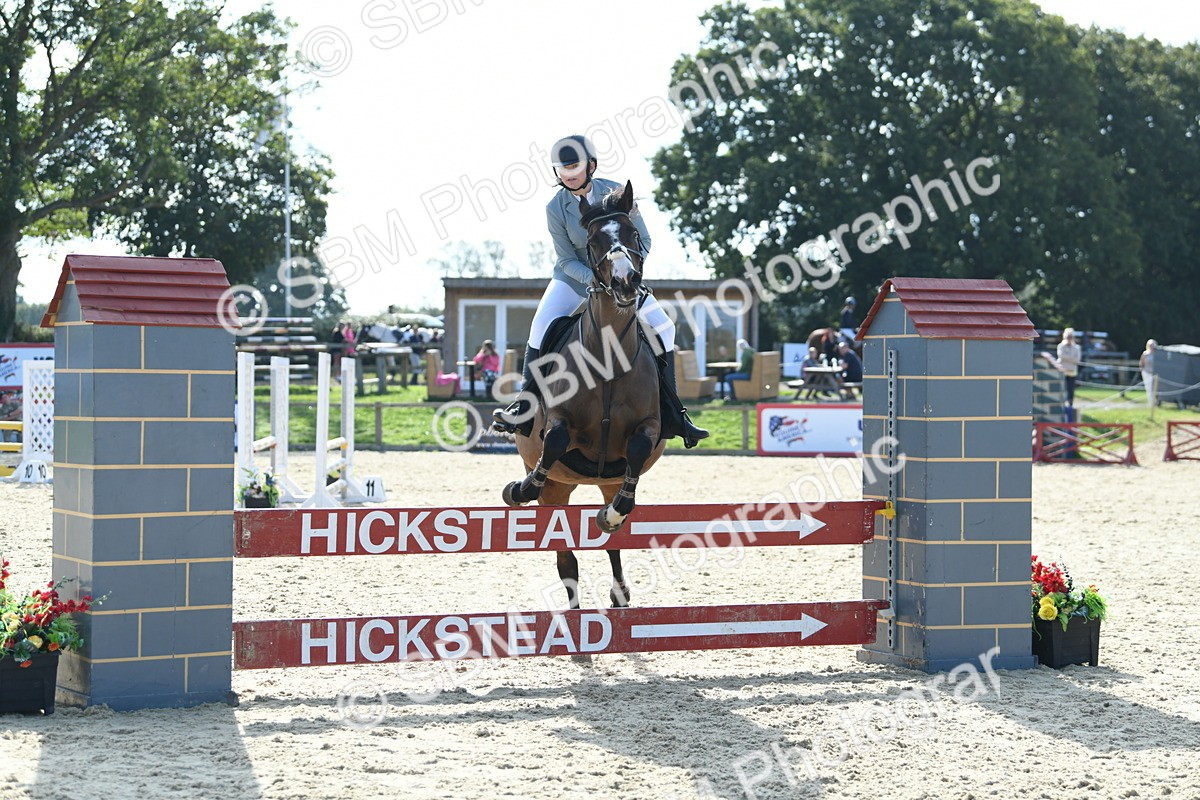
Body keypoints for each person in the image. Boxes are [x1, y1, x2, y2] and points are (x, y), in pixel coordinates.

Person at [492, 134, 708, 447]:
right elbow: (566, 259)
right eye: (561, 168)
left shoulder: (617, 194)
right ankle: (523, 409)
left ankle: (674, 412)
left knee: (665, 326)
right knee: (539, 327)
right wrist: (595, 280)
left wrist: (624, 274)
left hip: (621, 277)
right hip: (575, 280)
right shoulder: (556, 207)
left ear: (591, 165)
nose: (567, 173)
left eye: (573, 166)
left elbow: (643, 242)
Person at [1056, 328, 1081, 407]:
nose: (1069, 339)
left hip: (1072, 372)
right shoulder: (1061, 346)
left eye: (1071, 337)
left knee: (1071, 390)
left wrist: (1067, 358)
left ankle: (1070, 404)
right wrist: (1071, 358)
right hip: (1062, 371)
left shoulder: (1077, 347)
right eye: (1068, 337)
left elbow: (1077, 360)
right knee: (1062, 388)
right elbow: (1061, 356)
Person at [1140, 339, 1157, 420]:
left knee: (1155, 388)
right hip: (1147, 372)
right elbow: (1142, 363)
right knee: (1149, 388)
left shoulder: (1157, 354)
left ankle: (1155, 402)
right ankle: (1151, 403)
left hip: (1155, 374)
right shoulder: (1145, 353)